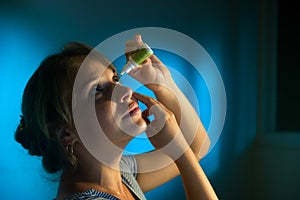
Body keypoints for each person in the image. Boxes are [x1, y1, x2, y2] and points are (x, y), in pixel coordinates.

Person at [15, 34, 218, 200]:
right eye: (97, 90)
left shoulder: (121, 175)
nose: (125, 91)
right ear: (66, 132)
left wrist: (162, 83)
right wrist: (179, 153)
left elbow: (197, 148)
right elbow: (189, 154)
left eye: (115, 78)